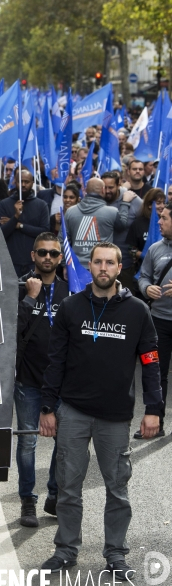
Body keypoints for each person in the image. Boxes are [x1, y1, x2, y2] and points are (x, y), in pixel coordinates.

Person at [39, 242, 162, 580]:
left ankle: (116, 556)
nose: (103, 268)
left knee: (117, 489)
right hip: (73, 411)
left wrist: (154, 409)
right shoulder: (70, 307)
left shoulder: (138, 311)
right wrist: (48, 406)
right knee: (68, 487)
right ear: (88, 267)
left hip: (115, 416)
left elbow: (151, 363)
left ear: (119, 267)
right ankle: (65, 551)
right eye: (97, 262)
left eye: (110, 262)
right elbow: (56, 361)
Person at [15, 233, 69, 527]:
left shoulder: (70, 291)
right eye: (42, 252)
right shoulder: (21, 288)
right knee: (27, 444)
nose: (47, 257)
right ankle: (27, 500)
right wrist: (30, 298)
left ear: (60, 258)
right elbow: (12, 331)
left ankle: (54, 495)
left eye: (53, 253)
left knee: (64, 443)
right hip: (28, 380)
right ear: (33, 256)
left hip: (61, 382)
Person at [138, 203, 172, 438]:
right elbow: (143, 277)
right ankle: (155, 421)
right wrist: (146, 287)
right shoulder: (155, 249)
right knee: (156, 371)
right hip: (159, 320)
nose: (158, 222)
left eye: (164, 218)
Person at [60, 178, 135, 269]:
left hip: (76, 267)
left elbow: (62, 241)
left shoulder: (70, 212)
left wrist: (65, 265)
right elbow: (122, 225)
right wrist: (125, 203)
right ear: (103, 190)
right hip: (102, 268)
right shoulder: (111, 212)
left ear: (86, 191)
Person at [0, 169, 50, 276]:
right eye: (21, 181)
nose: (23, 185)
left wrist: (19, 225)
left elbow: (44, 232)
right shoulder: (4, 204)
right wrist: (15, 217)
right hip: (11, 263)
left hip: (34, 263)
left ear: (32, 183)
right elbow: (0, 234)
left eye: (27, 181)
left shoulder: (41, 205)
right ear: (15, 182)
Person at [102, 170, 142, 291]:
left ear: (119, 184)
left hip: (125, 264)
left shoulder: (134, 200)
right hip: (102, 264)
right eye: (104, 187)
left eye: (111, 187)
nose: (107, 191)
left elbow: (143, 226)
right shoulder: (98, 200)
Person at [126, 188, 165, 268]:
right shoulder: (138, 223)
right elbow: (131, 249)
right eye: (158, 203)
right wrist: (146, 256)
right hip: (143, 269)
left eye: (164, 203)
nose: (162, 206)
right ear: (149, 205)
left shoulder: (168, 222)